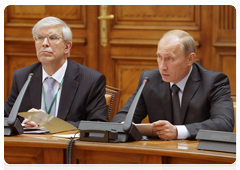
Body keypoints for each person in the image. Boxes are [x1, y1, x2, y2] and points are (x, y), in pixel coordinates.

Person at [111, 30, 234, 140]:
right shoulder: (149, 79)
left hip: (197, 154)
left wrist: (178, 132)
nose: (162, 66)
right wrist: (126, 126)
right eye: (159, 57)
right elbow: (122, 117)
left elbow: (224, 123)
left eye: (169, 59)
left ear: (190, 59)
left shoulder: (213, 82)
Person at [4, 16, 108, 128]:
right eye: (39, 37)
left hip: (68, 144)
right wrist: (21, 124)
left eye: (53, 38)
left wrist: (50, 124)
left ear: (67, 47)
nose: (44, 43)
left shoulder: (90, 80)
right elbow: (6, 117)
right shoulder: (23, 77)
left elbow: (98, 125)